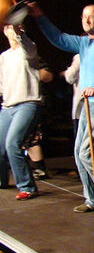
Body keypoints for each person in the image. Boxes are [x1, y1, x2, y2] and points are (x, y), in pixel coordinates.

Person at [28, 2, 94, 216]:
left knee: (88, 153)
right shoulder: (84, 43)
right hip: (88, 103)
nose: (87, 20)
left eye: (92, 17)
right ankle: (92, 199)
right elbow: (58, 38)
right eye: (84, 17)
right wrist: (39, 16)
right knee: (78, 152)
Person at [0, 24, 41, 199]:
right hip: (8, 106)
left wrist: (20, 34)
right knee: (0, 145)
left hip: (27, 104)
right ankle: (2, 181)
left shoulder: (28, 50)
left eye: (15, 28)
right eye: (8, 28)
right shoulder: (4, 56)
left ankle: (27, 186)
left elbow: (29, 48)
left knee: (12, 143)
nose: (12, 31)